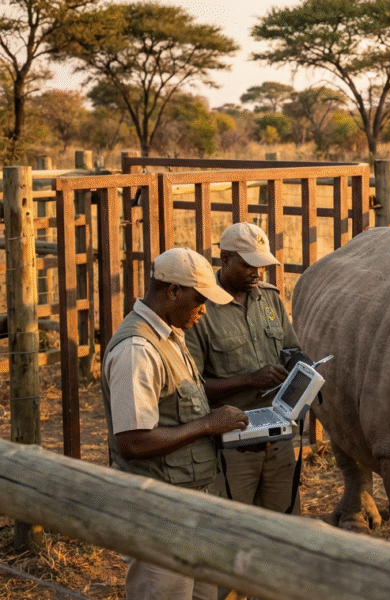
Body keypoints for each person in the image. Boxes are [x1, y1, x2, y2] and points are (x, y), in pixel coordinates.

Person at [102, 246, 248, 600]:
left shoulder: (169, 332)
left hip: (185, 501)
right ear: (173, 291)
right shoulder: (137, 349)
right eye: (199, 299)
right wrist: (207, 425)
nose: (204, 309)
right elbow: (133, 442)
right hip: (157, 509)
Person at [185, 222, 304, 516]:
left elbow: (290, 350)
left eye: (261, 265)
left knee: (285, 524)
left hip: (277, 435)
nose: (257, 273)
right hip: (231, 442)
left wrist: (303, 371)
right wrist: (249, 380)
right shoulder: (202, 310)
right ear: (225, 258)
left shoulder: (270, 298)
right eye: (248, 265)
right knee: (231, 524)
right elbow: (191, 389)